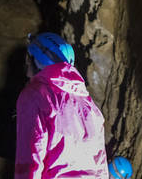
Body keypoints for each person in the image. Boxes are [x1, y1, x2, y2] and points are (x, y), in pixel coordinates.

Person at [15, 33, 108, 178]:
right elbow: (100, 166)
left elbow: (30, 159)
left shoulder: (35, 96)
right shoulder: (90, 107)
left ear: (34, 59)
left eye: (28, 58)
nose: (26, 63)